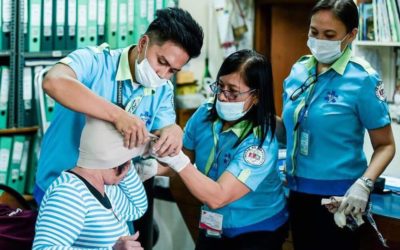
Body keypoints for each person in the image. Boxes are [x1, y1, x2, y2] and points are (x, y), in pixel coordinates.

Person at [33, 7, 204, 204]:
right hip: (62, 188)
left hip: (113, 197)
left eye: (172, 70)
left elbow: (162, 129)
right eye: (161, 61)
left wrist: (173, 131)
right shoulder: (95, 61)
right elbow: (53, 82)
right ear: (142, 43)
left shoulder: (162, 89)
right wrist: (117, 116)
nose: (162, 74)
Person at [281, 1, 396, 249]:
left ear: (351, 34)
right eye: (314, 32)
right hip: (297, 193)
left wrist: (364, 184)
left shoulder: (362, 78)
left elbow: (386, 145)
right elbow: (290, 126)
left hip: (340, 199)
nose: (319, 40)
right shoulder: (299, 70)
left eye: (329, 35)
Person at [152, 50, 288, 250]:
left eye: (233, 91)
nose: (222, 97)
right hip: (213, 223)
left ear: (256, 96)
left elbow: (218, 196)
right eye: (220, 86)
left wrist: (178, 160)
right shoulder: (205, 114)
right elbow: (178, 162)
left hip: (256, 228)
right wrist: (147, 169)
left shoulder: (260, 143)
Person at [33, 117, 148, 249]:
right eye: (127, 160)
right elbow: (43, 248)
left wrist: (125, 163)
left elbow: (137, 207)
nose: (128, 167)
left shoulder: (105, 187)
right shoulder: (70, 194)